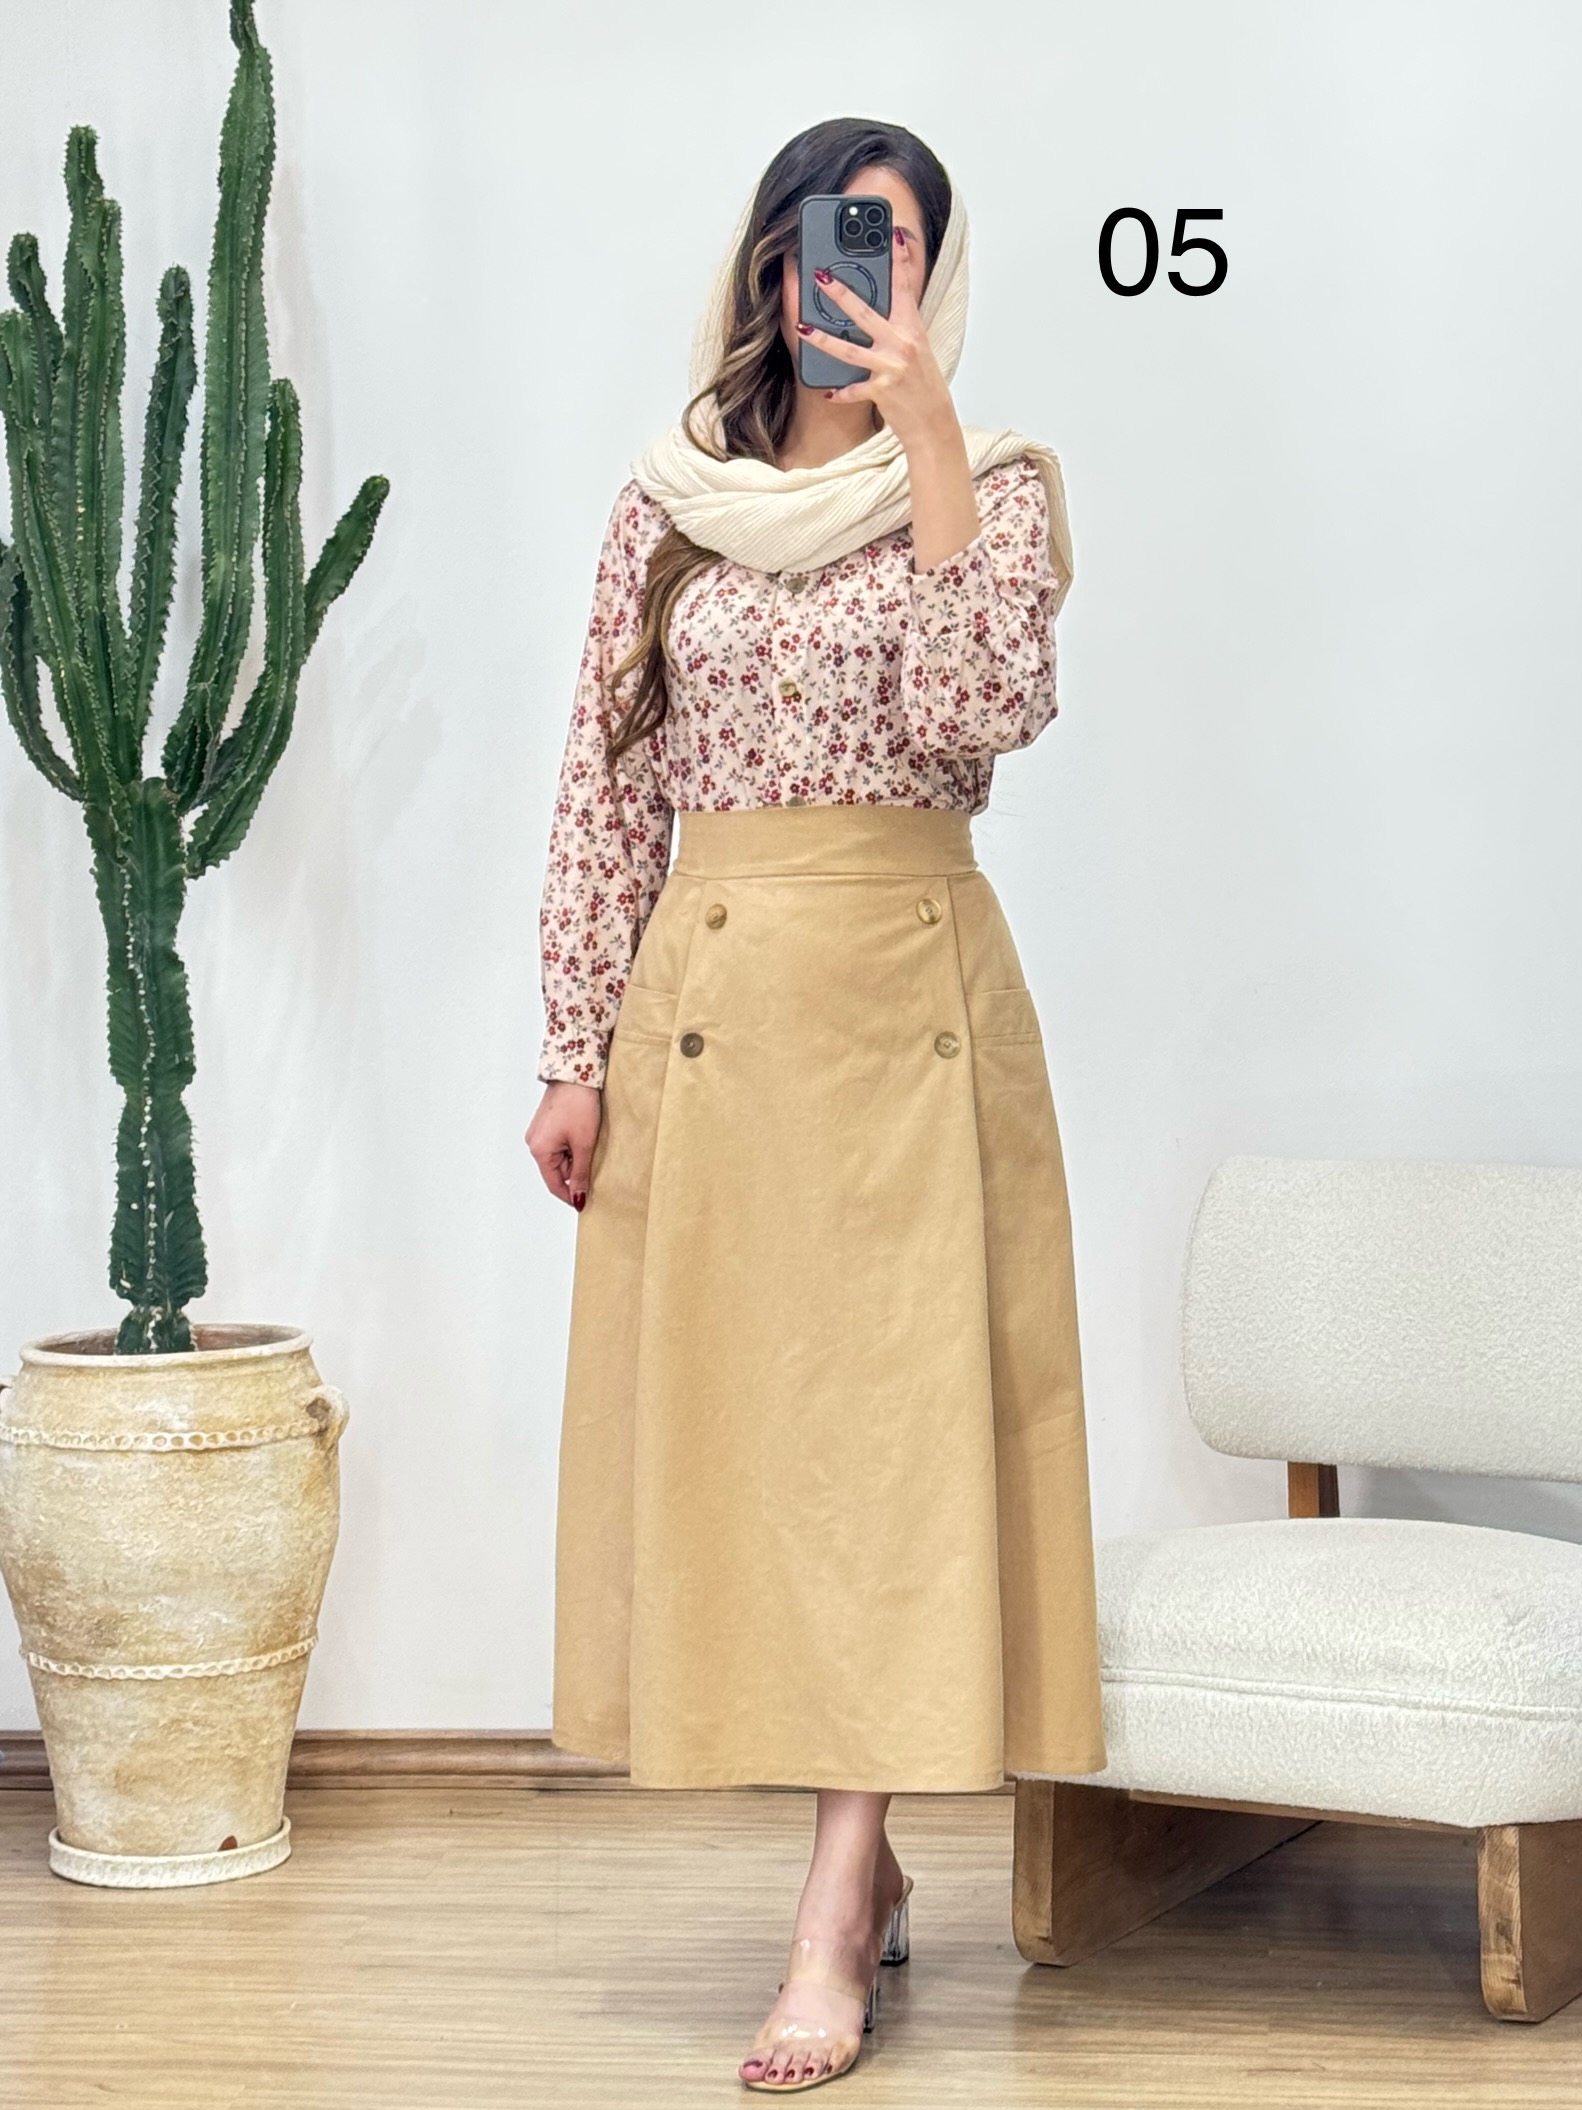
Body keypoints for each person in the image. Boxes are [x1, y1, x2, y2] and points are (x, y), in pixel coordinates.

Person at [525, 117, 1106, 2094]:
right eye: (827, 241)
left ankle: (831, 1907)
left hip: (906, 1014)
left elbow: (978, 712)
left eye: (896, 246)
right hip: (708, 1016)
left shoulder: (992, 484)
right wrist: (569, 1041)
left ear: (933, 278)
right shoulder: (668, 501)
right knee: (755, 1454)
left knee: (891, 1453)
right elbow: (606, 780)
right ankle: (864, 1860)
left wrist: (925, 432)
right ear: (770, 265)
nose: (853, 277)